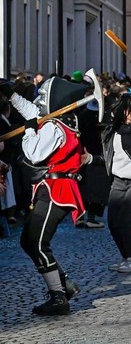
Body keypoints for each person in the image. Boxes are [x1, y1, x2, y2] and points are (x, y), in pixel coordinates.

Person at [0, 77, 90, 315]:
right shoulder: (58, 120)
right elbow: (34, 110)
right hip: (50, 188)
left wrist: (29, 128)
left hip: (57, 190)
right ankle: (64, 285)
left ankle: (59, 297)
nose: (39, 101)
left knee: (36, 243)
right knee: (28, 241)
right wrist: (11, 95)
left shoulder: (55, 127)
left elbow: (33, 153)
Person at [102, 94, 131, 273]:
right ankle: (125, 258)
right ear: (124, 110)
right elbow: (107, 156)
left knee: (125, 219)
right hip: (118, 180)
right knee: (113, 221)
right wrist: (90, 159)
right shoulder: (112, 131)